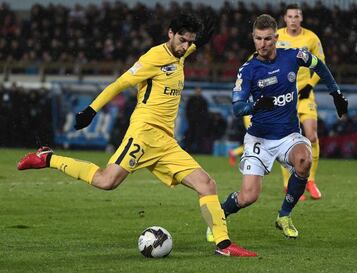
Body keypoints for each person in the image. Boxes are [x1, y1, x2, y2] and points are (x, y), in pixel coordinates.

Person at [17, 13, 256, 257]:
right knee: (107, 181)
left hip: (165, 142)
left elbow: (190, 48)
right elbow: (119, 83)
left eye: (189, 42)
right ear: (170, 34)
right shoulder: (153, 57)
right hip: (143, 134)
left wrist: (199, 42)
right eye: (182, 40)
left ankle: (224, 246)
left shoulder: (181, 53)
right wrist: (91, 110)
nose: (185, 47)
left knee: (207, 184)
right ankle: (48, 159)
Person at [207, 14, 347, 242]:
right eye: (258, 39)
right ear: (253, 38)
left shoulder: (292, 57)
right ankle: (220, 215)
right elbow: (237, 108)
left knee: (305, 161)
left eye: (268, 39)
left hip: (288, 135)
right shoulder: (248, 70)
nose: (263, 44)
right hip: (259, 138)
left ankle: (284, 216)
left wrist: (335, 93)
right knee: (248, 196)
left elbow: (318, 64)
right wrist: (255, 105)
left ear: (276, 38)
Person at [276, 4, 325, 200]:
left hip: (305, 94)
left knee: (311, 136)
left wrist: (310, 85)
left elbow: (321, 65)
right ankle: (288, 184)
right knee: (285, 139)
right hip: (283, 96)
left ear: (301, 18)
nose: (293, 19)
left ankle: (310, 180)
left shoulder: (311, 38)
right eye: (290, 16)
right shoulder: (276, 36)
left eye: (297, 16)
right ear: (285, 18)